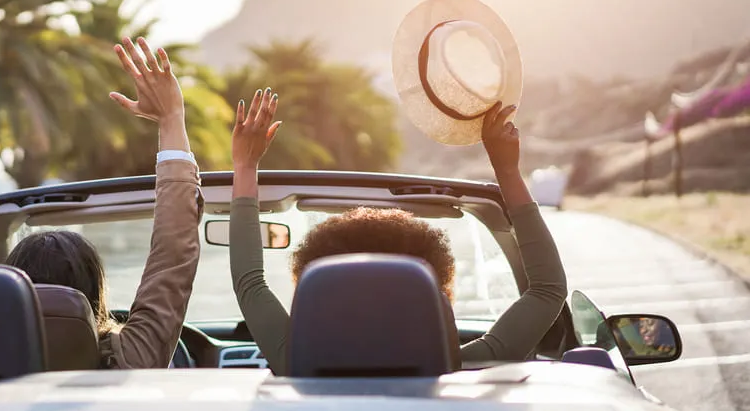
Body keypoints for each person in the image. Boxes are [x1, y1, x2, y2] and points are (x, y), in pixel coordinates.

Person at [228, 88, 568, 376]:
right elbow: (547, 290)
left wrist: (245, 166)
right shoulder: (467, 369)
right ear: (434, 293)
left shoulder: (294, 364)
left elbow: (249, 283)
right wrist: (505, 167)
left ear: (318, 294)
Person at [6, 37, 202, 369]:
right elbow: (173, 252)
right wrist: (172, 119)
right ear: (94, 298)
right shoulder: (127, 360)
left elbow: (174, 252)